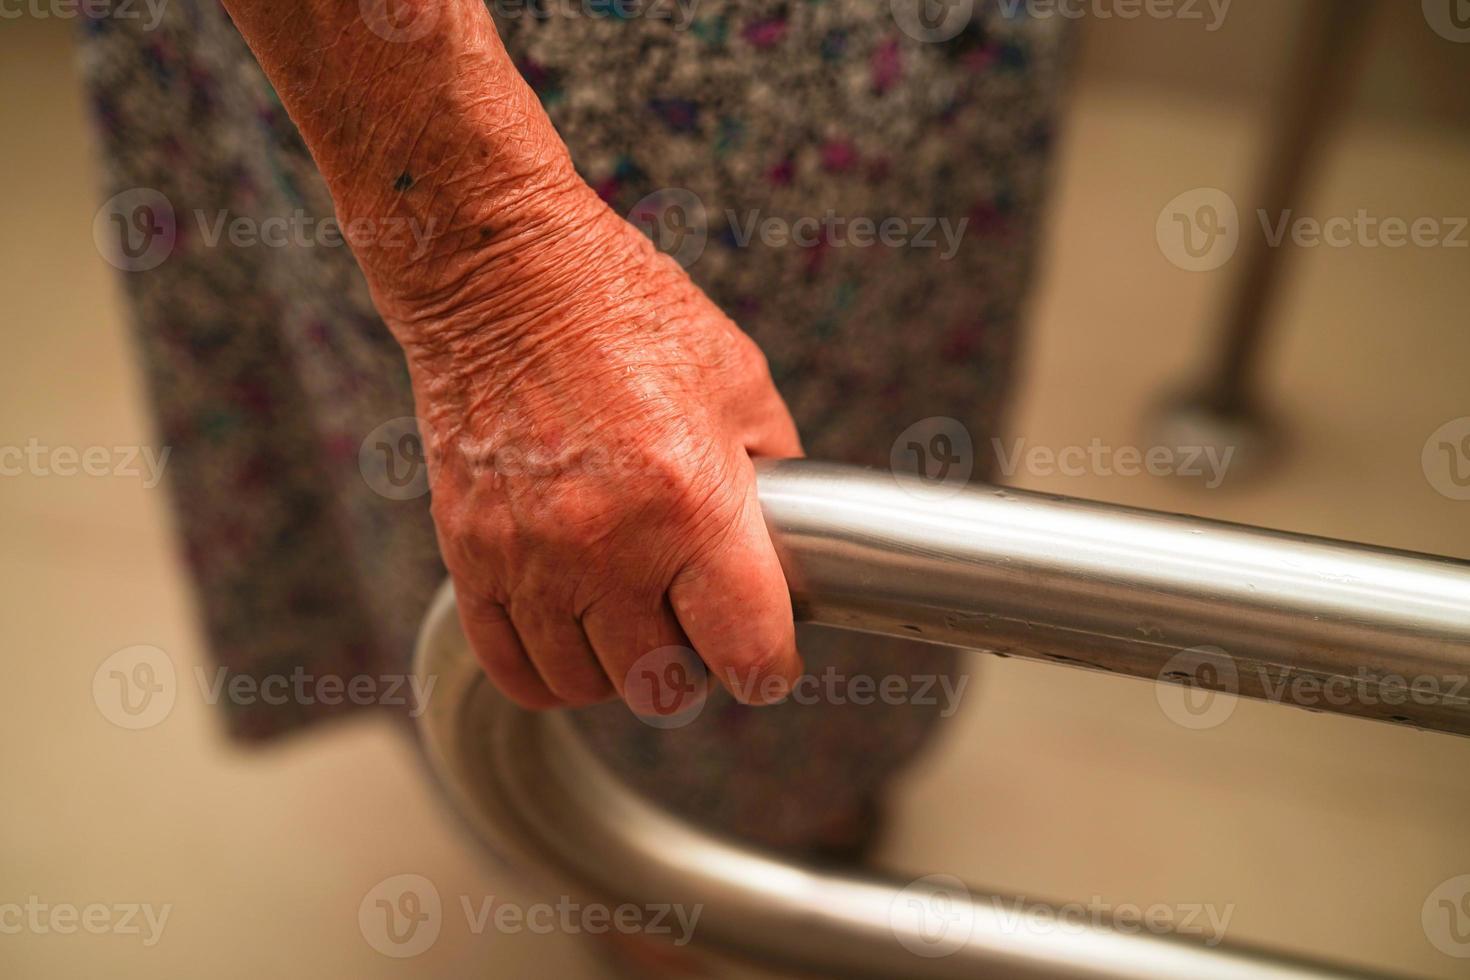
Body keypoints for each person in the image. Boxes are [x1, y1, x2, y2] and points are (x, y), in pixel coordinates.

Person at [81, 0, 1070, 858]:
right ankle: (623, 856)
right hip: (480, 88)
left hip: (914, 71)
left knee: (872, 446)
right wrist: (493, 271)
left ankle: (801, 791)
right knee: (584, 547)